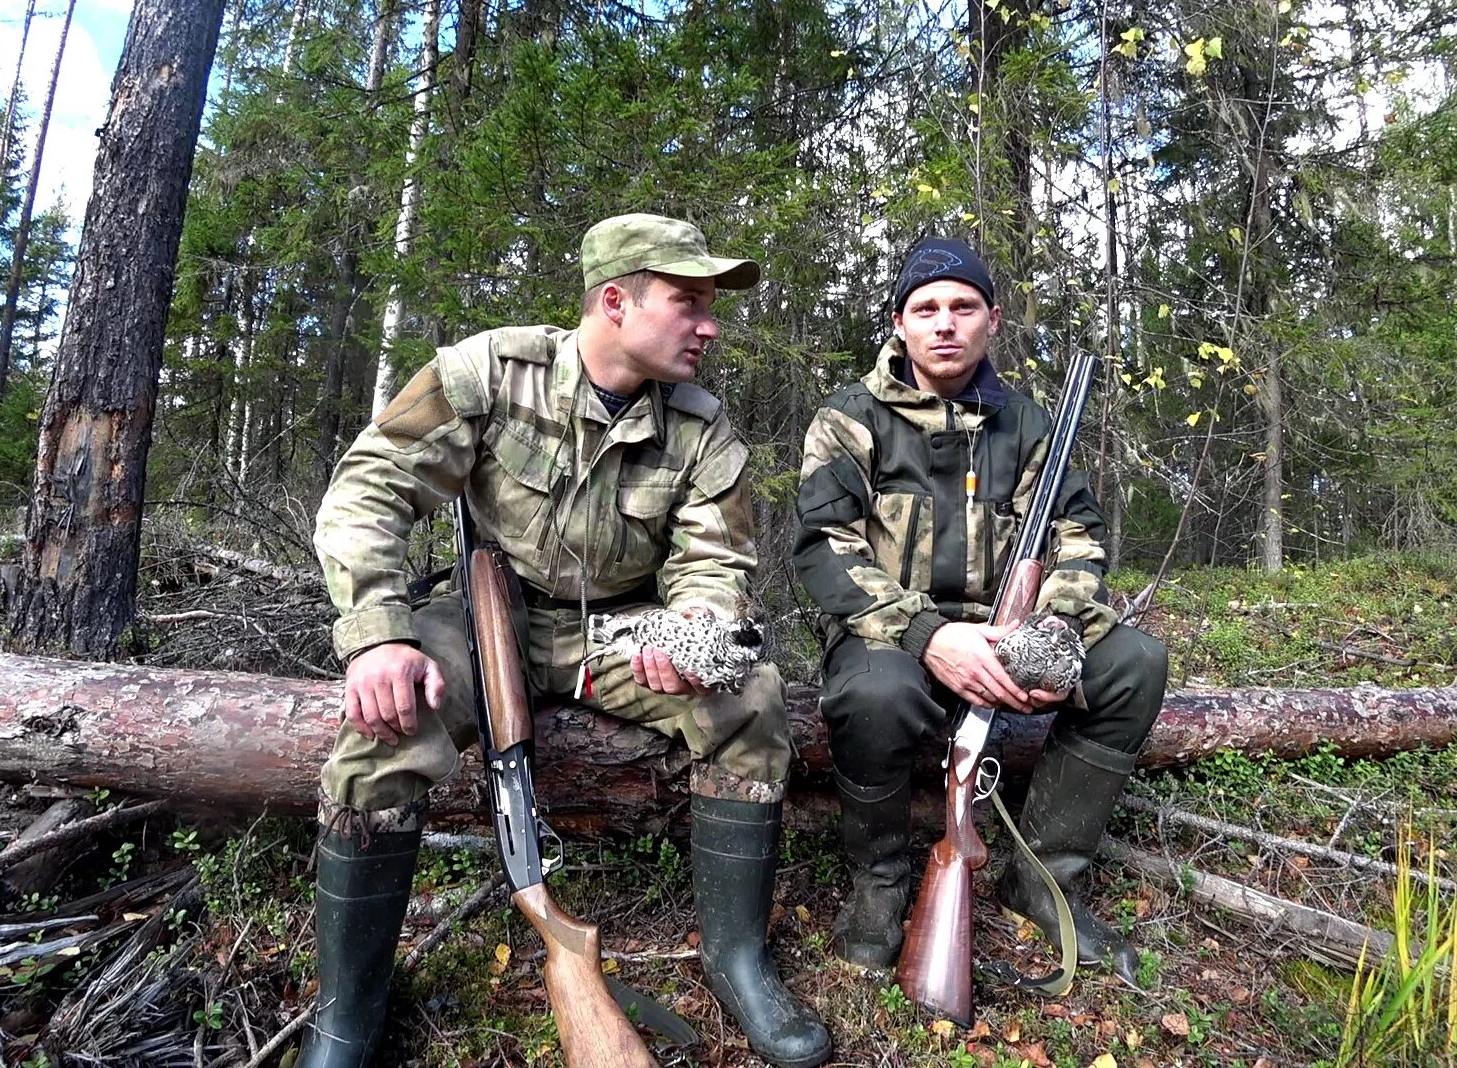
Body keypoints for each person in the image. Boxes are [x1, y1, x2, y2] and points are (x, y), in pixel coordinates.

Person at [304, 214, 830, 1068]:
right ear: (615, 301)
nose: (710, 325)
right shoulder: (487, 372)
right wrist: (375, 635)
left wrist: (693, 628)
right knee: (385, 724)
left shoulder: (702, 428)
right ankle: (347, 1011)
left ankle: (735, 957)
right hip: (488, 612)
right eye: (688, 302)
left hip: (623, 627)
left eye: (710, 306)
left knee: (752, 698)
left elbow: (716, 559)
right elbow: (370, 489)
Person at [792, 237, 1169, 987]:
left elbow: (1079, 539)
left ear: (991, 320)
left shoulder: (1031, 426)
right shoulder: (849, 419)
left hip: (1011, 634)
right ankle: (881, 883)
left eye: (963, 307)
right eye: (925, 308)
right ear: (899, 323)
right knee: (875, 693)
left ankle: (1044, 879)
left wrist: (1053, 633)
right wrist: (930, 636)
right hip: (893, 635)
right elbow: (824, 550)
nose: (944, 324)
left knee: (1134, 663)